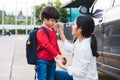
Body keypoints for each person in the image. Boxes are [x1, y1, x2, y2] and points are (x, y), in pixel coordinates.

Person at [55, 15, 99, 80]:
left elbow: (81, 72)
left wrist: (62, 66)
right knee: (54, 74)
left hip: (84, 78)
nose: (72, 26)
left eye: (74, 24)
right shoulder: (81, 41)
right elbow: (69, 48)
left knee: (54, 75)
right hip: (78, 77)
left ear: (80, 29)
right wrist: (60, 32)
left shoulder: (85, 47)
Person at [36, 6, 65, 80]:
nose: (54, 22)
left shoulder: (52, 31)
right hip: (42, 61)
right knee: (42, 78)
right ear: (45, 19)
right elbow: (46, 45)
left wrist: (60, 55)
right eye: (52, 20)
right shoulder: (41, 31)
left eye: (55, 20)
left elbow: (55, 45)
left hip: (52, 61)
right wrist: (57, 55)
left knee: (51, 78)